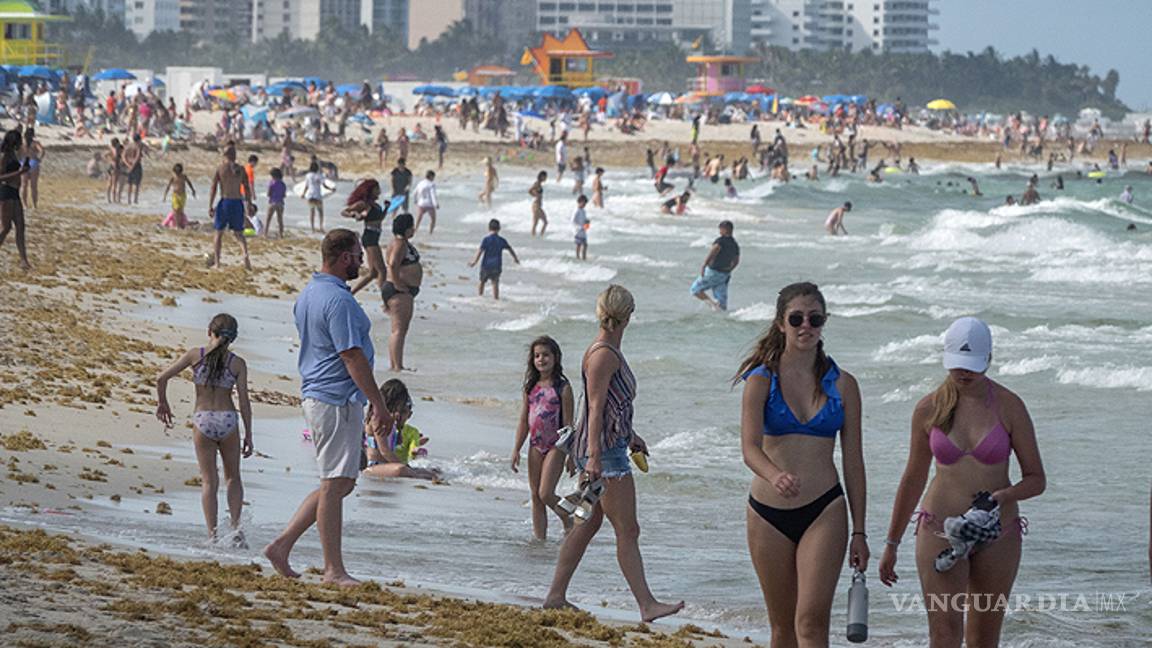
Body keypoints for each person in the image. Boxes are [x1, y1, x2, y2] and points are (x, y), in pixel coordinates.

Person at [879, 317, 1046, 647]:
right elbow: (913, 477)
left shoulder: (1010, 406)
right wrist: (891, 543)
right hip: (940, 529)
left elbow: (1036, 479)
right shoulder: (928, 409)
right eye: (957, 365)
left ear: (988, 360)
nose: (964, 373)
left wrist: (1002, 496)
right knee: (943, 635)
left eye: (972, 366)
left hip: (997, 532)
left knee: (984, 638)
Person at [737, 282, 868, 645]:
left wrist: (860, 531)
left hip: (824, 508)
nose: (805, 326)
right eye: (796, 319)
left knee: (811, 622)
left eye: (815, 318)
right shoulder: (761, 380)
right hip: (767, 513)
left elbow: (854, 461)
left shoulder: (844, 385)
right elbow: (749, 448)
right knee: (781, 627)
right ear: (781, 323)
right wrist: (774, 475)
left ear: (824, 323)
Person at [543, 285, 684, 622]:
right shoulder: (603, 354)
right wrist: (593, 457)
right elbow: (594, 407)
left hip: (608, 447)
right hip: (604, 455)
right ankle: (647, 604)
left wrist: (631, 435)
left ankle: (555, 595)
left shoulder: (606, 351)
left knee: (586, 525)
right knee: (628, 530)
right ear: (629, 315)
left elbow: (610, 408)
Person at [264, 229, 392, 587]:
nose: (362, 263)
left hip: (326, 395)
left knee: (341, 482)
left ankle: (282, 545)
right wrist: (378, 405)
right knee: (335, 485)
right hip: (332, 398)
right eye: (357, 256)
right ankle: (333, 570)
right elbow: (350, 355)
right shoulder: (338, 301)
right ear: (344, 258)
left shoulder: (311, 293)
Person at [155, 313, 253, 546]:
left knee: (209, 481)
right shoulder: (237, 363)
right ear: (234, 338)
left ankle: (213, 536)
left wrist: (163, 403)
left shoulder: (195, 356)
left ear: (210, 331)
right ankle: (237, 531)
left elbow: (161, 378)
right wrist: (249, 433)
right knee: (233, 478)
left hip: (203, 420)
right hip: (228, 418)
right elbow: (244, 401)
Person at [511, 336, 575, 540]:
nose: (541, 359)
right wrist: (516, 449)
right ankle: (540, 541)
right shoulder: (530, 387)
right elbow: (523, 420)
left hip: (556, 445)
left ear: (555, 358)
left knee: (545, 493)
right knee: (535, 497)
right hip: (535, 445)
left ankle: (567, 517)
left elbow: (569, 426)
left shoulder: (563, 388)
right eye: (537, 356)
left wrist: (571, 455)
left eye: (546, 355)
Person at [363, 379, 439, 480]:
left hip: (387, 465)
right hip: (374, 466)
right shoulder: (377, 418)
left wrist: (399, 427)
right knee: (401, 469)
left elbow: (396, 444)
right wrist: (408, 468)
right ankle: (416, 475)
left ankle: (416, 474)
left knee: (433, 472)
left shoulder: (391, 421)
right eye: (401, 404)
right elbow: (384, 451)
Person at [382, 212, 422, 372]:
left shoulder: (400, 242)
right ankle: (397, 366)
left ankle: (396, 364)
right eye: (412, 226)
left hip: (399, 290)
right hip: (399, 290)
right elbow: (392, 264)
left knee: (398, 329)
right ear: (406, 229)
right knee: (399, 330)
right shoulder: (399, 243)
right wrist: (399, 285)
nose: (414, 229)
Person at [207, 147, 254, 270]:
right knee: (239, 233)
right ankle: (245, 254)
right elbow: (247, 188)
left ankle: (217, 262)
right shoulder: (241, 169)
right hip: (237, 202)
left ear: (225, 154)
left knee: (218, 233)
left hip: (225, 202)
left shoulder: (221, 168)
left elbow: (213, 188)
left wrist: (210, 205)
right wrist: (249, 204)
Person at [344, 179, 387, 296]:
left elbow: (379, 219)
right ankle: (386, 298)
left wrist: (387, 208)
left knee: (373, 273)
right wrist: (355, 214)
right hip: (370, 237)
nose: (379, 191)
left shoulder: (375, 205)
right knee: (382, 270)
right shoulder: (364, 204)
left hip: (374, 236)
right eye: (377, 189)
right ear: (371, 190)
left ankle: (351, 293)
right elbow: (345, 211)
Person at [691, 221, 739, 311]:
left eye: (720, 229)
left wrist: (704, 264)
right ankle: (720, 314)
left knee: (695, 290)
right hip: (724, 275)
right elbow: (736, 261)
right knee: (722, 304)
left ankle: (713, 304)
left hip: (713, 272)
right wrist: (729, 270)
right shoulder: (734, 244)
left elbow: (715, 250)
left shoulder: (721, 241)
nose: (719, 232)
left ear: (724, 229)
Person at [0, 130, 30, 270]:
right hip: (5, 192)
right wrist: (19, 173)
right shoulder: (4, 156)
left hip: (14, 192)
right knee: (6, 228)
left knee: (20, 226)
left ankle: (24, 260)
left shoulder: (12, 154)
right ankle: (23, 260)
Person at [469, 218, 519, 300]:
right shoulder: (501, 240)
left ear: (488, 228)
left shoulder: (486, 240)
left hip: (486, 265)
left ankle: (480, 297)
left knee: (482, 281)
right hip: (497, 265)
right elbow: (510, 249)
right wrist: (515, 259)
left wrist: (474, 262)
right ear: (499, 229)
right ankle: (496, 299)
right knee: (495, 283)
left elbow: (480, 251)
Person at [161, 163, 196, 229]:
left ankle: (180, 224)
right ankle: (176, 225)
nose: (177, 173)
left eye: (178, 171)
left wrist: (193, 190)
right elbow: (168, 186)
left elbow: (189, 183)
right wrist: (165, 196)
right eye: (176, 171)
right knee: (176, 209)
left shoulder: (184, 176)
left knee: (180, 211)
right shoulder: (173, 177)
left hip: (182, 195)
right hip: (175, 195)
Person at [19, 127, 43, 209]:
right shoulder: (35, 143)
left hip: (24, 163)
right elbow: (42, 151)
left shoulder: (22, 143)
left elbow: (17, 152)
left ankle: (25, 205)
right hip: (33, 162)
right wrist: (40, 159)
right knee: (34, 186)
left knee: (24, 185)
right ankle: (34, 205)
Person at [413, 170, 439, 235]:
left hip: (421, 204)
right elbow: (433, 195)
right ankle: (430, 233)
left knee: (418, 219)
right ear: (431, 176)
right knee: (433, 219)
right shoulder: (431, 184)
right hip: (429, 204)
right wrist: (436, 204)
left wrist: (415, 200)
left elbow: (415, 192)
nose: (433, 178)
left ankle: (414, 232)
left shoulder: (420, 183)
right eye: (433, 177)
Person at [122, 133, 145, 204]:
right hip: (136, 166)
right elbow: (137, 157)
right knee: (136, 184)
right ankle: (135, 200)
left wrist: (128, 165)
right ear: (139, 140)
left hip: (128, 164)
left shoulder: (128, 146)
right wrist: (132, 167)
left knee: (129, 184)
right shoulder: (138, 147)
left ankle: (129, 200)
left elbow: (123, 156)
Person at [304, 162, 326, 233]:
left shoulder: (308, 176)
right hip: (318, 196)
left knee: (312, 212)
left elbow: (306, 186)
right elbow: (324, 185)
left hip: (310, 196)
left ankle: (312, 228)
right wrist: (331, 189)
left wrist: (303, 193)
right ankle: (321, 227)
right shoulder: (319, 176)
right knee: (320, 213)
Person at [265, 167, 287, 239]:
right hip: (280, 203)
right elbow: (284, 195)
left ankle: (265, 233)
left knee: (268, 219)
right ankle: (281, 234)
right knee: (280, 220)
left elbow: (268, 193)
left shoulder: (272, 183)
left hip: (272, 202)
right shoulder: (283, 184)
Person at [529, 171, 548, 236]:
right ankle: (535, 238)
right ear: (542, 176)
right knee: (536, 223)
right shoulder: (537, 183)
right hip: (536, 205)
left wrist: (536, 195)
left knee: (544, 222)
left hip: (538, 206)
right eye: (545, 176)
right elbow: (530, 190)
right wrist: (535, 195)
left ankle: (539, 237)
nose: (546, 178)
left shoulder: (539, 184)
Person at [572, 194, 590, 260]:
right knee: (578, 245)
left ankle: (583, 257)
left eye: (585, 204)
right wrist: (578, 227)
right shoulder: (576, 210)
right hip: (578, 231)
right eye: (584, 203)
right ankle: (577, 257)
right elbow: (573, 221)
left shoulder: (584, 211)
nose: (584, 205)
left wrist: (587, 222)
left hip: (583, 231)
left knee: (585, 245)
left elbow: (584, 220)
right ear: (580, 202)